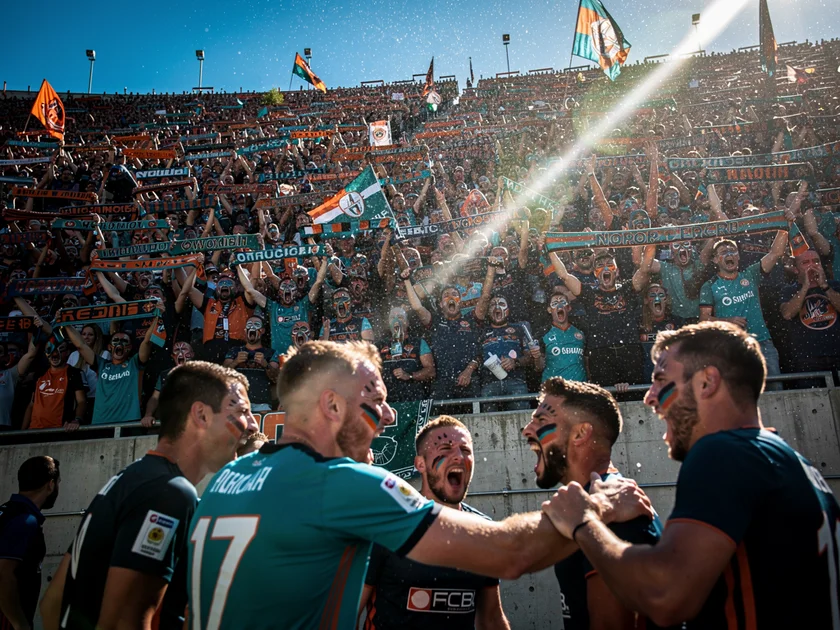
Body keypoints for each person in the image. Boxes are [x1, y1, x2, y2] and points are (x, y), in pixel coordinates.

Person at [186, 340, 651, 629]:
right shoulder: (345, 484)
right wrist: (596, 508)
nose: (387, 416)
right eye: (375, 399)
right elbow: (512, 554)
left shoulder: (229, 478)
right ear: (331, 406)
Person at [540, 321, 840, 628]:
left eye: (660, 380)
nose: (650, 397)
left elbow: (667, 597)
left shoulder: (723, 452)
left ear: (707, 382)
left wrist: (584, 523)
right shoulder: (794, 462)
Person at [39, 362, 258, 630]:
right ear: (201, 415)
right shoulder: (169, 493)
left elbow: (51, 604)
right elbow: (125, 621)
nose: (252, 425)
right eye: (243, 411)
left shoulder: (131, 479)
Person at [521, 378, 664, 629]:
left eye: (541, 420)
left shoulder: (617, 515)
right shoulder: (593, 507)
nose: (527, 430)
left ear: (580, 433)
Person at [360, 416, 510, 629]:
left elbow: (492, 619)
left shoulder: (483, 532)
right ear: (420, 464)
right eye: (446, 449)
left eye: (465, 450)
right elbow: (347, 611)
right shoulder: (389, 526)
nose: (458, 457)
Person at [699, 234, 788, 387]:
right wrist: (729, 321)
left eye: (732, 251)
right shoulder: (709, 286)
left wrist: (783, 229)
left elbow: (776, 253)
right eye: (723, 252)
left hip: (763, 344)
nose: (729, 254)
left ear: (738, 256)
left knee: (776, 393)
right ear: (715, 260)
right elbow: (703, 319)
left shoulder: (750, 275)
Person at [0, 456, 60, 630]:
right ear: (50, 485)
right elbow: (3, 575)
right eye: (58, 483)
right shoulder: (25, 521)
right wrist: (20, 624)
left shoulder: (7, 512)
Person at [64, 320, 158, 425]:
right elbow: (81, 345)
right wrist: (65, 323)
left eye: (124, 341)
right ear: (109, 347)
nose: (119, 343)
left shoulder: (135, 363)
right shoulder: (101, 364)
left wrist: (157, 317)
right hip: (101, 423)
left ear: (130, 348)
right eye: (116, 340)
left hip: (129, 422)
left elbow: (147, 341)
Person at [779, 249, 840, 374]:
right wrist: (805, 286)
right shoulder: (789, 290)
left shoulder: (835, 285)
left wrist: (824, 286)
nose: (812, 266)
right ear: (796, 269)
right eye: (806, 262)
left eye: (816, 261)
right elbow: (787, 313)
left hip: (837, 352)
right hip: (807, 358)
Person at [22, 339, 86, 431]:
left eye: (60, 349)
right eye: (50, 349)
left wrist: (77, 420)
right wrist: (23, 431)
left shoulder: (74, 373)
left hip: (59, 430)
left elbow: (82, 401)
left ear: (68, 352)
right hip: (34, 430)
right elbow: (31, 404)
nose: (55, 354)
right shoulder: (39, 374)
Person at [539, 291, 586, 383]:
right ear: (549, 309)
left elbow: (587, 360)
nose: (559, 306)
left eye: (563, 303)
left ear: (569, 308)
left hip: (579, 389)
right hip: (555, 390)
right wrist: (536, 357)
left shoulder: (581, 330)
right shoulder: (542, 333)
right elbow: (539, 367)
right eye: (555, 303)